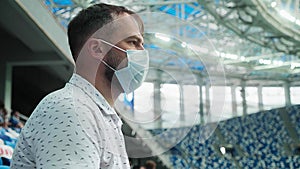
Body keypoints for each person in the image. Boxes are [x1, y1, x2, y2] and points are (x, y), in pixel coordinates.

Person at [11, 3, 149, 169]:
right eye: (133, 42)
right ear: (97, 49)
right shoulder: (71, 109)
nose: (142, 51)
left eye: (142, 44)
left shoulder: (99, 114)